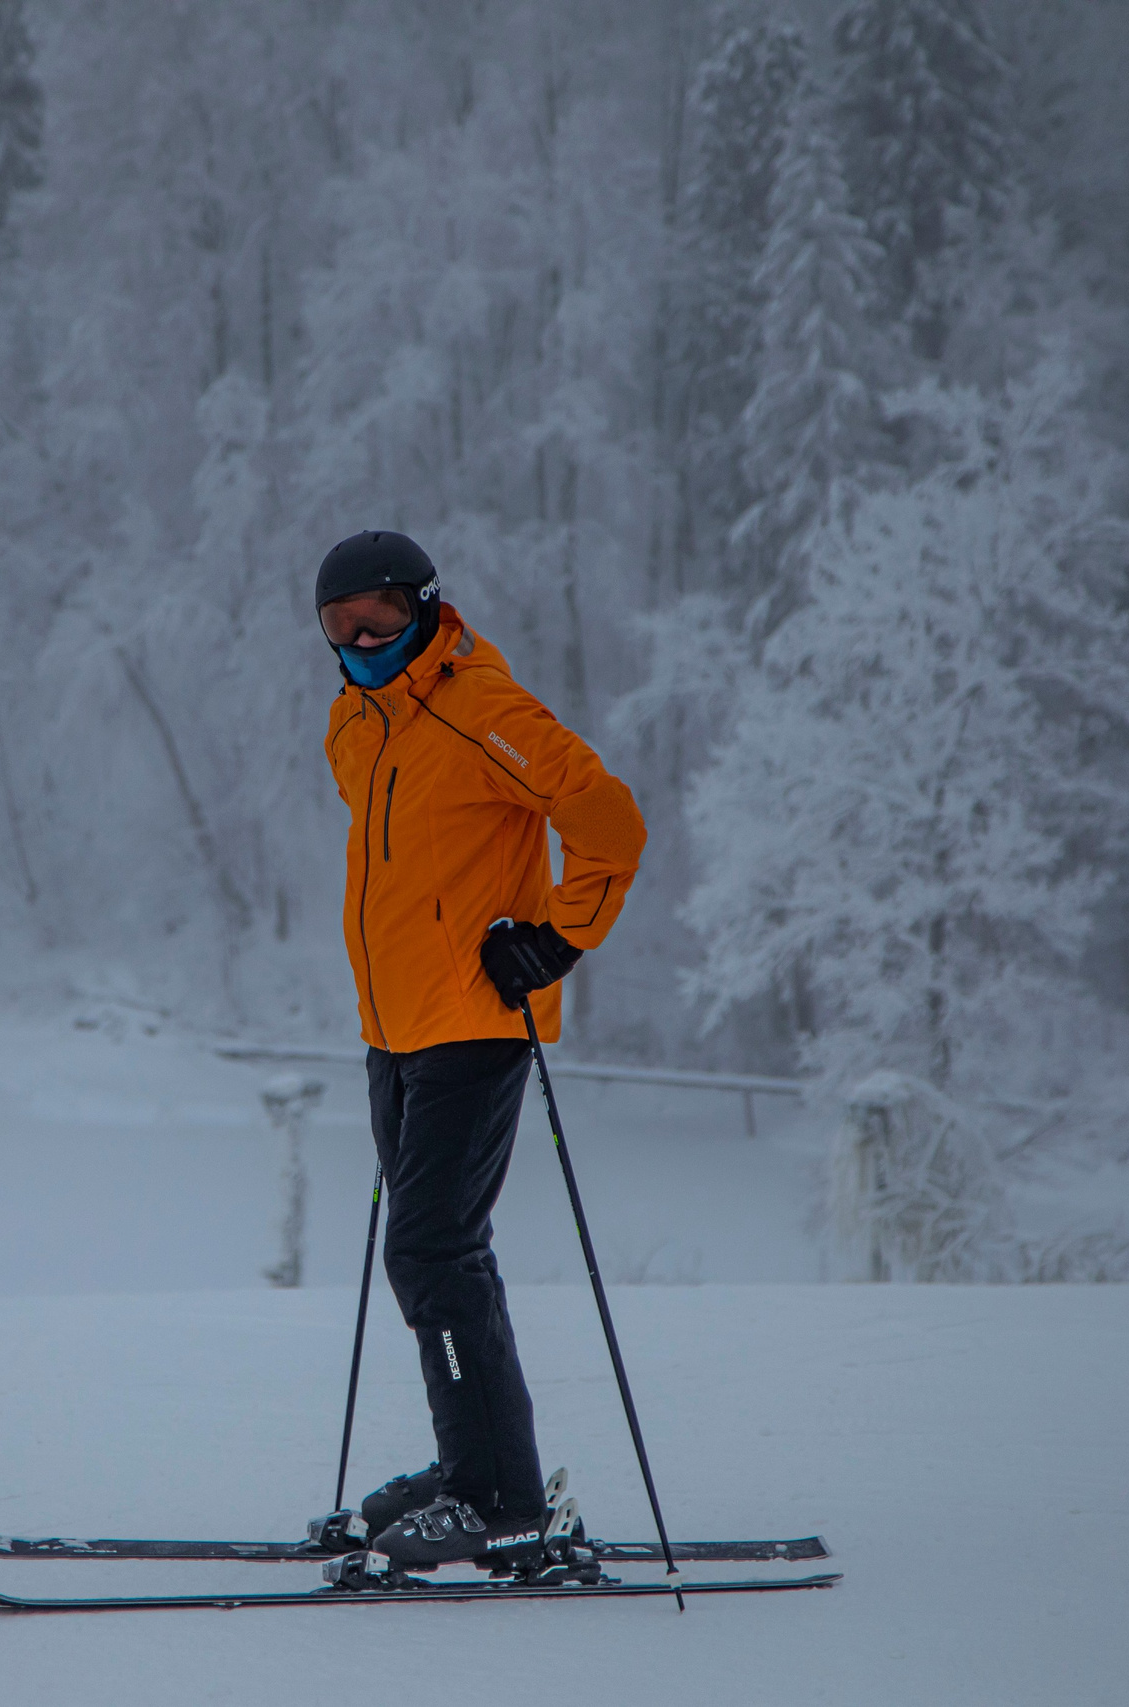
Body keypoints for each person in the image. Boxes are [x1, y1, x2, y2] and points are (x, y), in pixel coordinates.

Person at [310, 529, 646, 1573]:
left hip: (472, 1021)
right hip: (395, 1029)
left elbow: (606, 818)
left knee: (429, 1249)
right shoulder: (354, 726)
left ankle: (497, 1496)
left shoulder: (480, 708)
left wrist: (553, 937)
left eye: (376, 619)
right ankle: (477, 1468)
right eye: (336, 627)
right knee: (436, 1255)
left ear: (425, 607)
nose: (359, 641)